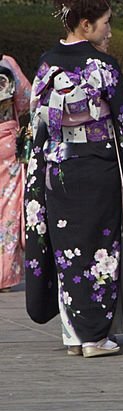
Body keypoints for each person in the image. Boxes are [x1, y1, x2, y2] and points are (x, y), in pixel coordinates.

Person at [23, 0, 123, 357]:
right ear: (86, 24)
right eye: (106, 23)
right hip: (97, 167)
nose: (110, 30)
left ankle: (74, 334)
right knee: (98, 250)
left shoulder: (46, 64)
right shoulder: (102, 66)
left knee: (66, 250)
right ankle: (94, 336)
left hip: (57, 168)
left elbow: (37, 122)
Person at [1, 55, 31, 291]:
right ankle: (4, 274)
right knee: (8, 209)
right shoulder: (7, 64)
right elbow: (26, 99)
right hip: (5, 142)